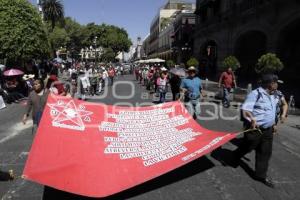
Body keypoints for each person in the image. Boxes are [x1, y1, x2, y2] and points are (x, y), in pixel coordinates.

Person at [233, 74, 280, 188]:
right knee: (248, 147)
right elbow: (245, 110)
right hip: (255, 129)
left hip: (268, 130)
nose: (277, 84)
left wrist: (274, 123)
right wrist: (252, 119)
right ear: (270, 84)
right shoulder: (255, 94)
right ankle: (236, 155)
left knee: (265, 152)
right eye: (275, 82)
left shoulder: (274, 95)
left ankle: (260, 175)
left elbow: (272, 111)